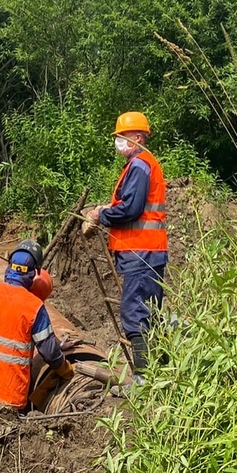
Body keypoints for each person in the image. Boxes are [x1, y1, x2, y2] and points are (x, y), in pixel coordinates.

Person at [85, 111, 167, 374]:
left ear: (138, 137)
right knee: (151, 315)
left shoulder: (140, 165)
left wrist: (101, 215)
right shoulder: (140, 165)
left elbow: (131, 209)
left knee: (136, 316)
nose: (118, 140)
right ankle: (164, 373)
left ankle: (144, 379)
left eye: (122, 135)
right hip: (146, 252)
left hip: (141, 252)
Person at [0, 239, 72, 409]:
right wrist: (65, 368)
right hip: (10, 400)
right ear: (35, 273)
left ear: (9, 267)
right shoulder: (34, 307)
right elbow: (49, 351)